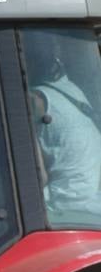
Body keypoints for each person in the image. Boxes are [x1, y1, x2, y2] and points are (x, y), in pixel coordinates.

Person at [23, 32, 101, 219]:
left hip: (63, 209)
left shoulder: (34, 101)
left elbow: (36, 176)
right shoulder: (73, 91)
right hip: (93, 205)